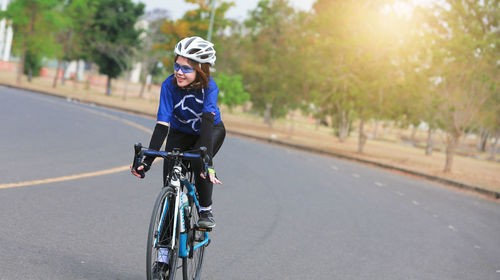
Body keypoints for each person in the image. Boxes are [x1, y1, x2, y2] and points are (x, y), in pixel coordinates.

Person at [132, 36, 225, 229]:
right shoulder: (169, 85)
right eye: (177, 66)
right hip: (179, 133)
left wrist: (206, 161)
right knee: (169, 189)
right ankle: (164, 255)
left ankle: (205, 209)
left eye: (187, 68)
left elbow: (207, 123)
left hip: (209, 131)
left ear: (201, 69)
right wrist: (147, 161)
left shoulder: (209, 87)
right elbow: (162, 126)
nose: (179, 72)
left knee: (199, 159)